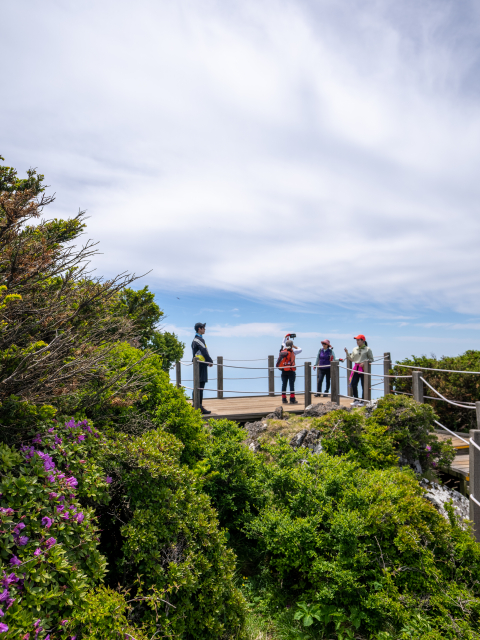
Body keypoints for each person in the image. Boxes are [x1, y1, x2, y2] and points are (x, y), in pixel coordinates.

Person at [344, 334, 374, 406]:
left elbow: (371, 359)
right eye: (356, 340)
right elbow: (352, 359)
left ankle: (363, 401)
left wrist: (364, 363)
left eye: (358, 340)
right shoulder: (354, 349)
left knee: (363, 385)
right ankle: (356, 400)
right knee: (353, 384)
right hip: (356, 368)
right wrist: (347, 353)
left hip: (364, 369)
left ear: (363, 340)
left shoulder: (368, 349)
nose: (357, 341)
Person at [191, 322, 213, 415]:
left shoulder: (194, 340)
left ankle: (195, 405)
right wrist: (210, 361)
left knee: (197, 385)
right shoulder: (199, 340)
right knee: (200, 386)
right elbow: (204, 351)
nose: (205, 329)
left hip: (198, 365)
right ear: (199, 329)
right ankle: (199, 407)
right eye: (203, 328)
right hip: (201, 365)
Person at [276, 339, 301, 404]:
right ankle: (292, 400)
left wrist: (284, 338)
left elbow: (283, 343)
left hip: (284, 370)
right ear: (291, 345)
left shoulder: (283, 351)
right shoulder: (294, 352)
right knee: (291, 385)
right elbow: (300, 349)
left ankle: (284, 399)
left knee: (284, 385)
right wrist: (294, 346)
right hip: (291, 370)